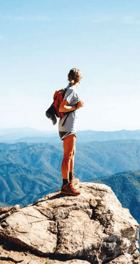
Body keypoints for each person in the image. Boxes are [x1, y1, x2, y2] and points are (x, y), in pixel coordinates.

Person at [59, 68, 84, 196]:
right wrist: (76, 106)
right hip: (68, 126)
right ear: (79, 78)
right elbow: (62, 107)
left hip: (68, 126)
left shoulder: (70, 89)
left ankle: (70, 179)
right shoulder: (71, 90)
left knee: (72, 153)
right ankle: (65, 185)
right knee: (67, 155)